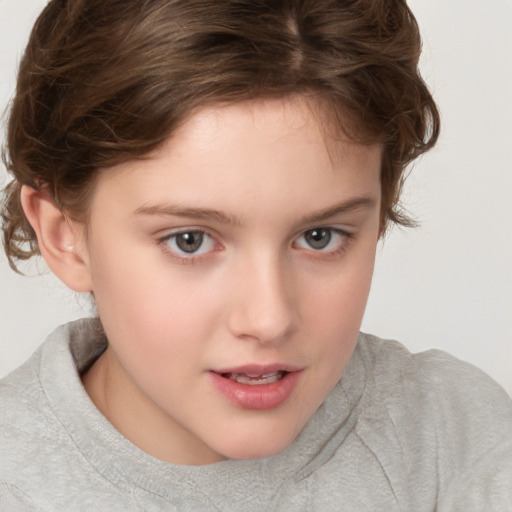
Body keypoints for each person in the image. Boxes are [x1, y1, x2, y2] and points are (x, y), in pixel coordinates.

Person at [0, 0, 510, 510]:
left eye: (319, 237)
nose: (268, 320)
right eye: (190, 241)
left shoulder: (452, 440)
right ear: (64, 234)